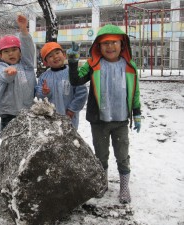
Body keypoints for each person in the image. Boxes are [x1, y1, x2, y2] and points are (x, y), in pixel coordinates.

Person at [68, 24, 141, 204]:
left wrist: (137, 113)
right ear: (98, 46)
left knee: (122, 155)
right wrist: (73, 59)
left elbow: (135, 92)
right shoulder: (93, 65)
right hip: (99, 121)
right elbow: (75, 80)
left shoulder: (129, 66)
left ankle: (124, 188)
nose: (110, 46)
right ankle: (103, 182)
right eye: (105, 43)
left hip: (121, 121)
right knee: (101, 155)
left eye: (114, 42)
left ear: (122, 44)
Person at [0, 14, 37, 131]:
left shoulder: (26, 65)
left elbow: (28, 48)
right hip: (8, 112)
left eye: (14, 50)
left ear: (20, 52)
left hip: (28, 109)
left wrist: (23, 30)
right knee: (8, 140)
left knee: (27, 140)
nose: (11, 53)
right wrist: (8, 73)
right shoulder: (1, 66)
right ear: (1, 55)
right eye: (6, 51)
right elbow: (4, 76)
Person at [35, 42, 88, 129]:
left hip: (69, 118)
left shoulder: (73, 73)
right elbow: (38, 94)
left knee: (69, 140)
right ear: (46, 62)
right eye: (50, 56)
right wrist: (44, 93)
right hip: (50, 120)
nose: (55, 57)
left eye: (57, 53)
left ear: (64, 55)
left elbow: (81, 93)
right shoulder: (44, 77)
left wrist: (72, 110)